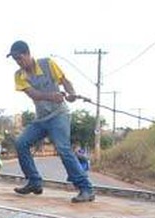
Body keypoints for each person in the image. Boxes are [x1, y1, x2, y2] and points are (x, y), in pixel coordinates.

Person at [7, 40, 95, 203]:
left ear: (28, 54)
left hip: (58, 115)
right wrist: (51, 96)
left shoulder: (48, 64)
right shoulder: (19, 75)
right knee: (21, 143)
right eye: (15, 60)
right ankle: (34, 181)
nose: (18, 62)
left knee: (63, 148)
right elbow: (34, 94)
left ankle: (86, 188)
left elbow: (65, 81)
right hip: (41, 119)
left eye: (19, 58)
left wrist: (71, 93)